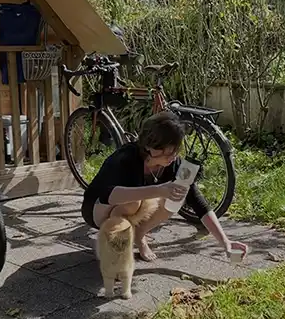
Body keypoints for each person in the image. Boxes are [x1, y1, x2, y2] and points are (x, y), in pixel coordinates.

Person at [81, 111, 248, 261]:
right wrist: (159, 190)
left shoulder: (174, 163)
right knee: (132, 202)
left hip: (126, 209)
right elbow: (106, 195)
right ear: (148, 146)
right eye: (166, 152)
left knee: (178, 195)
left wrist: (225, 242)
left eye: (175, 151)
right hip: (97, 210)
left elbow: (198, 202)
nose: (171, 157)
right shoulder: (125, 158)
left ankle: (139, 235)